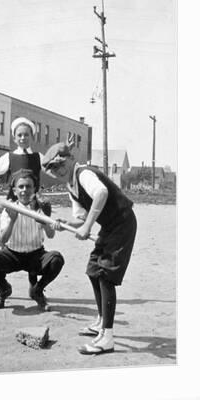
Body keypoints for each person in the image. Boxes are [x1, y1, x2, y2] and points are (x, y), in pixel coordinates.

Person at [42, 142, 137, 354]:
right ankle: (101, 320)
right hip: (110, 226)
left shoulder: (83, 174)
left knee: (105, 274)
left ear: (69, 160)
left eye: (60, 165)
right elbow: (81, 218)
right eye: (53, 169)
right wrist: (61, 222)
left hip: (122, 223)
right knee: (94, 270)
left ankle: (107, 337)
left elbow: (101, 193)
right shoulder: (70, 186)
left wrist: (86, 227)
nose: (58, 171)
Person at [0, 117, 52, 290]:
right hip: (14, 206)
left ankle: (35, 287)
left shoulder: (38, 157)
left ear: (31, 136)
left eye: (26, 135)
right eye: (19, 135)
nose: (22, 138)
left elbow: (55, 170)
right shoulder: (9, 157)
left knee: (33, 243)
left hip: (34, 205)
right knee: (6, 243)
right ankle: (1, 286)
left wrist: (64, 153)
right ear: (14, 137)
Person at [0, 168, 64, 311]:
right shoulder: (9, 209)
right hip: (13, 254)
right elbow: (2, 240)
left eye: (28, 186)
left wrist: (44, 221)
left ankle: (37, 290)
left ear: (34, 190)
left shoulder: (40, 209)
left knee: (57, 259)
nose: (24, 190)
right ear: (14, 191)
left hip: (36, 255)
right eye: (21, 187)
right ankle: (4, 288)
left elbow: (50, 235)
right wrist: (12, 221)